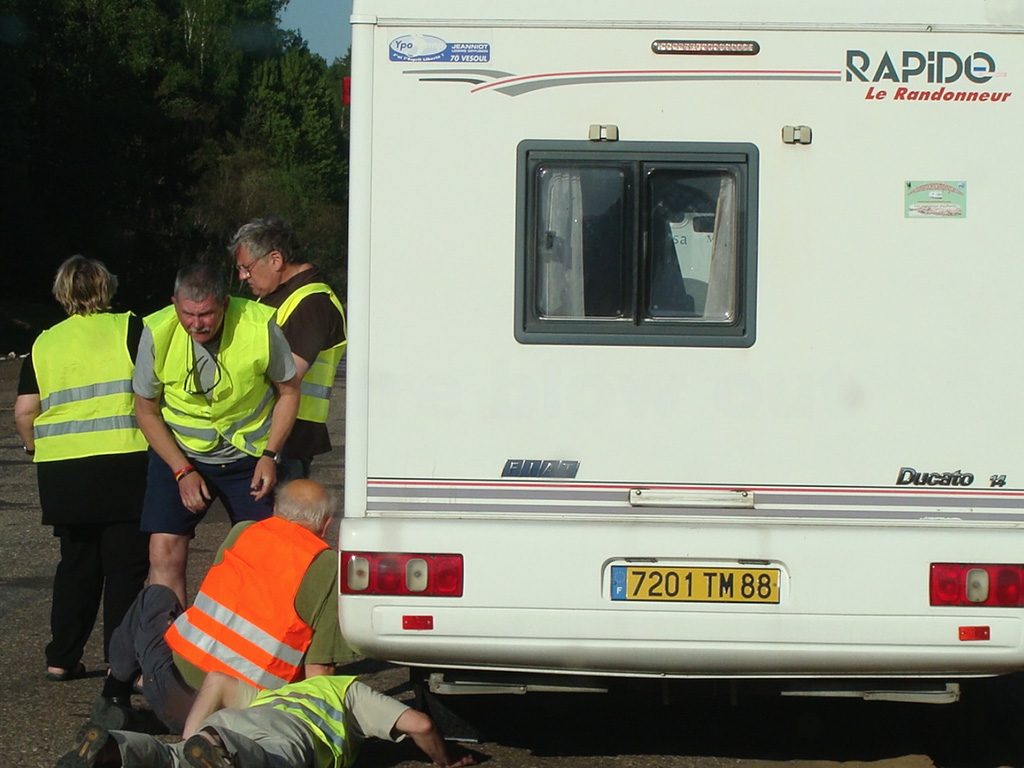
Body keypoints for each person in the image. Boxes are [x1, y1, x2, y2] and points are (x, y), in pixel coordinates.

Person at [96, 479, 354, 735]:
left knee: (156, 596)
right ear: (326, 524)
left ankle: (114, 694)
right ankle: (156, 722)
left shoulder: (243, 532)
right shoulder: (328, 567)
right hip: (238, 719)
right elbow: (320, 671)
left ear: (275, 509)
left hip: (170, 686)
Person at [13, 255, 150, 682]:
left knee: (76, 564)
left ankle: (62, 656)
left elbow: (25, 411)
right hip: (124, 461)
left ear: (62, 293)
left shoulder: (44, 342)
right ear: (106, 287)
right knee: (125, 567)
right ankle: (120, 661)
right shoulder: (131, 328)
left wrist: (34, 447)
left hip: (63, 471)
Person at [134, 263, 301, 606]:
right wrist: (182, 470)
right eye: (188, 314)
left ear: (225, 303)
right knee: (163, 550)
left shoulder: (259, 325)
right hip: (181, 454)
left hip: (249, 454)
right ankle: (168, 637)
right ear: (174, 303)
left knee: (262, 556)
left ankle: (251, 635)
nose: (197, 324)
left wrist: (270, 456)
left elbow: (289, 391)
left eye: (206, 314)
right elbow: (145, 410)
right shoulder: (156, 330)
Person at [58, 671, 477, 768]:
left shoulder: (281, 692)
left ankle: (113, 745)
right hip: (289, 737)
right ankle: (219, 750)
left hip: (232, 721)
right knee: (272, 759)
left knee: (171, 759)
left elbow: (218, 679)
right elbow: (421, 725)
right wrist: (445, 760)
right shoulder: (346, 690)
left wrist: (189, 739)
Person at [230, 218, 346, 480]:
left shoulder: (312, 303)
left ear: (275, 259)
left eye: (246, 268)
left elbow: (287, 376)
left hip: (286, 442)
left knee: (284, 508)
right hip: (264, 438)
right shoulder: (275, 297)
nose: (242, 277)